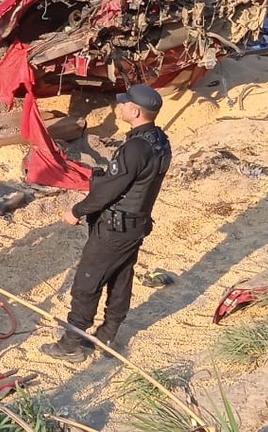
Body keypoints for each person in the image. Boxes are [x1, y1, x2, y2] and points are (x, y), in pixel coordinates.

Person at [41, 84, 172, 362]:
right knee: (121, 277)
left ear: (135, 111)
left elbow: (108, 190)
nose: (121, 107)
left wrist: (76, 210)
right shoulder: (159, 141)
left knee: (87, 281)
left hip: (114, 227)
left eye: (125, 105)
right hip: (136, 224)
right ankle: (108, 334)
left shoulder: (135, 148)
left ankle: (72, 342)